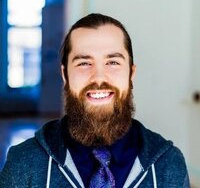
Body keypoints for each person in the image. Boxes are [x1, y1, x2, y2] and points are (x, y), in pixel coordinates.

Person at [0, 13, 190, 188]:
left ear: (131, 74)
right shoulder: (23, 163)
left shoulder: (169, 164)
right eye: (84, 63)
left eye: (113, 62)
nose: (99, 77)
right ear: (65, 75)